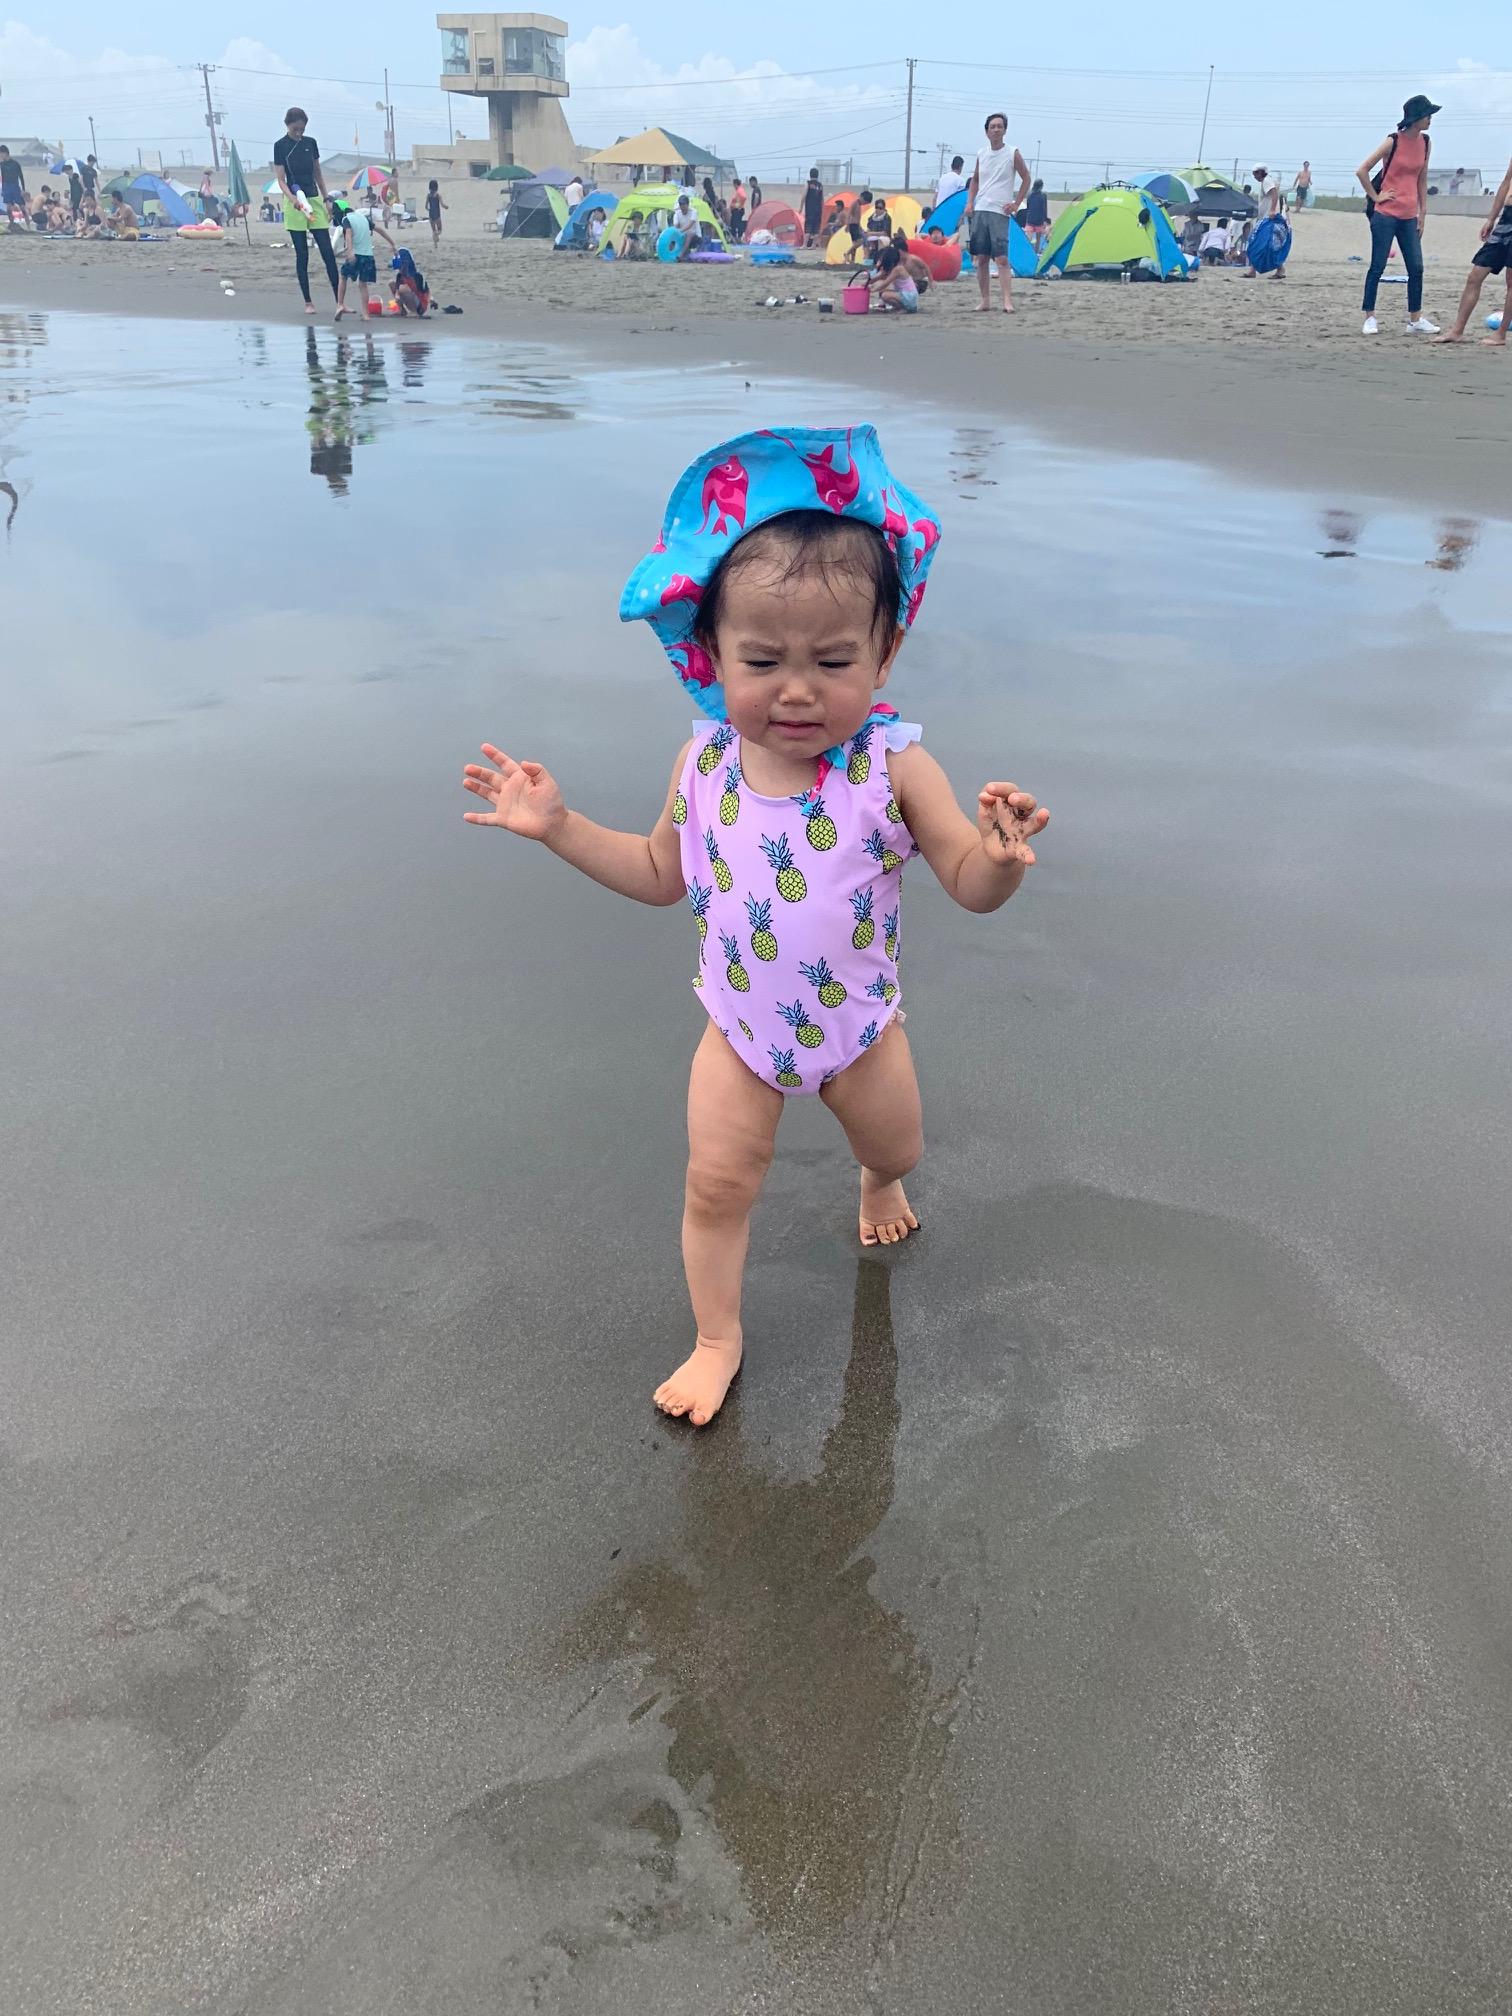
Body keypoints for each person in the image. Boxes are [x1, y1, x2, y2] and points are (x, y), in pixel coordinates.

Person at [459, 424, 1049, 1427]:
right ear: (712, 655)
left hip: (859, 1033)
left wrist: (996, 859)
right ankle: (717, 1338)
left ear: (886, 652)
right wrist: (558, 828)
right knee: (716, 1185)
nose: (798, 688)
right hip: (737, 1028)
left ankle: (875, 1185)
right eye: (763, 659)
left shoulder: (894, 769)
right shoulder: (704, 767)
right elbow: (660, 874)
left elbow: (963, 879)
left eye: (833, 658)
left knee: (900, 1147)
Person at [1357, 94, 1440, 336]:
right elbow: (1362, 170)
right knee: (1377, 266)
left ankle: (1415, 319)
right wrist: (1376, 196)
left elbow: (1422, 178)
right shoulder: (1392, 141)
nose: (1430, 119)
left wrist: (1423, 212)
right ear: (1415, 118)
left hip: (1409, 215)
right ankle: (1370, 317)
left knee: (1416, 267)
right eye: (1427, 115)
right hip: (1385, 214)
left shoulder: (1426, 142)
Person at [1433, 153, 1512, 345]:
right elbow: (1506, 182)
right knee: (1475, 276)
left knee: (1511, 280)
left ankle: (1501, 333)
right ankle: (1457, 331)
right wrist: (1491, 219)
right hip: (1506, 218)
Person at [274, 106, 340, 315]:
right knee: (302, 253)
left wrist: (326, 198)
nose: (299, 133)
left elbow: (318, 173)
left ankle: (339, 301)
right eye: (295, 129)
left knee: (327, 251)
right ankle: (308, 302)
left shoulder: (310, 143)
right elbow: (281, 180)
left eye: (302, 129)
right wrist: (292, 198)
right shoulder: (280, 146)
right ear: (287, 125)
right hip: (294, 203)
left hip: (313, 199)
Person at [966, 111, 1031, 313]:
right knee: (982, 258)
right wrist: (970, 202)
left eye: (999, 126)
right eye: (992, 127)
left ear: (1005, 130)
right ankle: (985, 300)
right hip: (981, 209)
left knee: (1001, 258)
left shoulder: (1012, 153)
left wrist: (1016, 203)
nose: (996, 130)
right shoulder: (982, 153)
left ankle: (1007, 301)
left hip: (999, 211)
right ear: (986, 131)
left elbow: (1026, 177)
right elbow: (975, 179)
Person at [332, 196, 396, 320]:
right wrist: (392, 243)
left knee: (343, 277)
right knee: (363, 284)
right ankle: (366, 314)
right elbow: (380, 230)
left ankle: (340, 304)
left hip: (356, 254)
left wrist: (350, 251)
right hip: (368, 256)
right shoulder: (363, 218)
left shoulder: (346, 219)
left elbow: (348, 234)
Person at [867, 242, 921, 312]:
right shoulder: (891, 269)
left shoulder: (898, 269)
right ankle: (902, 307)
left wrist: (873, 290)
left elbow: (886, 283)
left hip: (910, 297)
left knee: (885, 295)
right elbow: (876, 278)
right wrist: (865, 284)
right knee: (882, 289)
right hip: (907, 296)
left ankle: (904, 308)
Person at [0, 146, 27, 226]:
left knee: (22, 208)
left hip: (15, 186)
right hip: (6, 187)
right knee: (8, 208)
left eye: (1, 154)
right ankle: (11, 224)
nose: (0, 156)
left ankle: (28, 225)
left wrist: (23, 189)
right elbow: (2, 177)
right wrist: (3, 189)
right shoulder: (1, 164)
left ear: (5, 153)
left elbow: (21, 176)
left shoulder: (15, 164)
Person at [672, 191, 703, 259]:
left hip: (695, 237)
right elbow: (676, 226)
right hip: (682, 236)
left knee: (689, 234)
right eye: (680, 204)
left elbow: (690, 225)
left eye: (683, 204)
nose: (682, 206)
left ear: (688, 204)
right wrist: (676, 233)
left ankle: (681, 255)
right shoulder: (677, 213)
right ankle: (671, 253)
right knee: (673, 234)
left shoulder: (694, 211)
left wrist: (680, 231)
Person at [1023, 175, 1050, 251]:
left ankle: (1028, 252)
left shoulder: (1029, 195)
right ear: (1041, 186)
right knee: (1038, 240)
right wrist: (1045, 220)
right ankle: (1036, 252)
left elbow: (1028, 207)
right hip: (1039, 221)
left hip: (1030, 219)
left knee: (1029, 239)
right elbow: (1044, 208)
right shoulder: (1043, 195)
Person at [802, 167, 825, 246]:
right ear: (817, 175)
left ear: (810, 174)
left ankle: (804, 245)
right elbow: (822, 199)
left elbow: (804, 196)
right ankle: (813, 245)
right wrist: (823, 209)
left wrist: (801, 207)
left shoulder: (808, 184)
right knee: (816, 227)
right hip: (818, 209)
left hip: (810, 209)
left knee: (808, 226)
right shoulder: (820, 185)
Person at [425, 178, 446, 249]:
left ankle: (435, 244)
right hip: (437, 215)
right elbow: (442, 204)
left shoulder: (428, 195)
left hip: (431, 215)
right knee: (439, 230)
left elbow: (426, 206)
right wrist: (446, 207)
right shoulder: (438, 195)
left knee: (433, 230)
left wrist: (429, 210)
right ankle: (437, 235)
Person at [728, 175, 747, 242]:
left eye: (734, 185)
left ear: (736, 184)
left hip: (737, 210)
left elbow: (743, 197)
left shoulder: (740, 190)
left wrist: (738, 205)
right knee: (733, 224)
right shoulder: (739, 190)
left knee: (736, 224)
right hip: (736, 210)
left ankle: (737, 237)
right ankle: (735, 237)